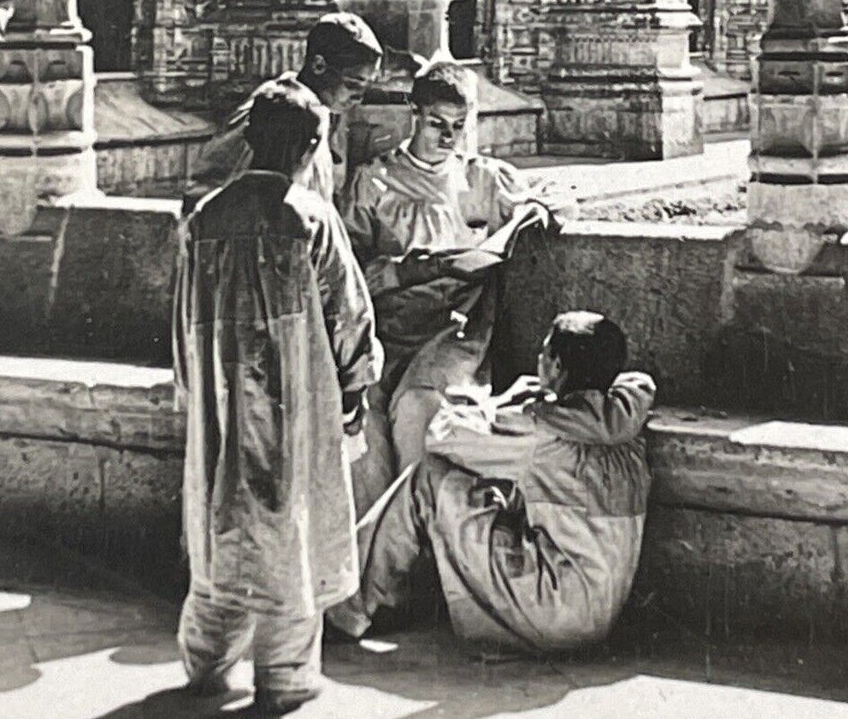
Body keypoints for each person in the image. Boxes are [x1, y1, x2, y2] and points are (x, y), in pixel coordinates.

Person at [173, 79, 382, 716]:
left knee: (220, 524)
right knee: (293, 529)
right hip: (298, 402)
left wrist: (193, 391)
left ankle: (206, 661)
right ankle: (286, 677)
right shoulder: (310, 218)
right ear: (312, 145)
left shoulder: (206, 217)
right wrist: (355, 390)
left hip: (221, 404)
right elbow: (350, 317)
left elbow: (183, 321)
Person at [328, 312, 655, 656]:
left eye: (545, 354)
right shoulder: (624, 424)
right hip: (598, 617)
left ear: (557, 367)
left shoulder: (539, 431)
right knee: (500, 493)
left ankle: (344, 609)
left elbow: (440, 436)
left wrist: (498, 404)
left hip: (551, 610)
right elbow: (640, 383)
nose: (539, 361)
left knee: (426, 479)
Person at [341, 60, 558, 515]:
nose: (448, 137)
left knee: (420, 409)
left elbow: (550, 205)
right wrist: (400, 271)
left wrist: (532, 212)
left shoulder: (483, 177)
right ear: (414, 114)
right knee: (366, 417)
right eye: (437, 123)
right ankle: (377, 549)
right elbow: (351, 265)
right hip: (389, 327)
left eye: (459, 126)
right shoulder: (375, 180)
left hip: (454, 332)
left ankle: (424, 535)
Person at [192, 12, 384, 203]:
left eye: (366, 86)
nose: (359, 97)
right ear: (318, 65)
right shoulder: (274, 110)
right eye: (353, 84)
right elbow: (210, 186)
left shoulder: (325, 111)